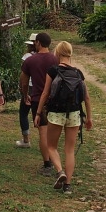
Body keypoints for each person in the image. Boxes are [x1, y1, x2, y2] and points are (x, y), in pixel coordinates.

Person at [35, 40, 92, 194]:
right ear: (70, 54)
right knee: (69, 150)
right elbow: (86, 97)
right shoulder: (78, 73)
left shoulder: (53, 71)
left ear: (58, 53)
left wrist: (38, 113)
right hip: (74, 114)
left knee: (51, 146)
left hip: (56, 113)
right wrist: (89, 118)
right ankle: (67, 186)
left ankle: (60, 171)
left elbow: (45, 93)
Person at [20, 32, 59, 173]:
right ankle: (56, 160)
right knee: (54, 130)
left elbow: (24, 82)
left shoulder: (30, 61)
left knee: (43, 131)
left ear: (38, 43)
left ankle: (47, 164)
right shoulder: (55, 59)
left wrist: (25, 95)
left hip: (37, 99)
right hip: (55, 99)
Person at [15, 33, 37, 148]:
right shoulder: (44, 56)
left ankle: (26, 139)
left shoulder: (27, 56)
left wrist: (21, 88)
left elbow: (23, 74)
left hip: (28, 86)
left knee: (23, 113)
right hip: (39, 87)